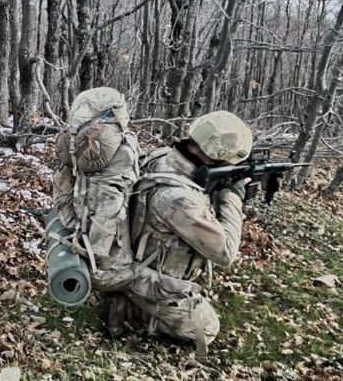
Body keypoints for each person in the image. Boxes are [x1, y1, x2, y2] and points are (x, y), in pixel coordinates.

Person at [102, 110, 253, 358]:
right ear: (218, 155)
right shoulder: (179, 199)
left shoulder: (162, 157)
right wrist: (233, 197)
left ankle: (130, 298)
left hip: (135, 256)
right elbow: (225, 253)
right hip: (149, 279)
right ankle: (132, 309)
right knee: (208, 328)